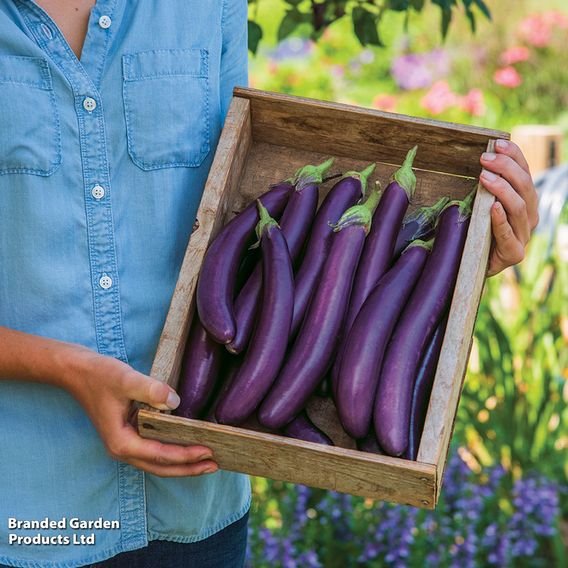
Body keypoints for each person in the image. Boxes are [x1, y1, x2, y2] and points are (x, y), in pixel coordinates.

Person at [0, 1, 538, 567]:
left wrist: (462, 255)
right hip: (28, 511)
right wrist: (67, 368)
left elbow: (231, 194)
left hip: (197, 509)